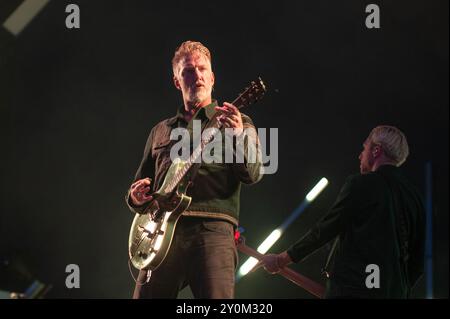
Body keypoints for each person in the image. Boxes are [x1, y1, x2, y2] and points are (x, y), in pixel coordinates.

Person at [125, 41, 263, 299]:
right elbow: (140, 188)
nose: (197, 75)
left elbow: (253, 173)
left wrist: (237, 137)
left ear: (212, 78)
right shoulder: (161, 130)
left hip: (212, 232)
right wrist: (135, 197)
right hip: (161, 234)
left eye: (202, 69)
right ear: (177, 81)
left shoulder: (238, 122)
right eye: (188, 70)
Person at [256, 125, 425, 298]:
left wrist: (281, 259)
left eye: (364, 147)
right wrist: (397, 288)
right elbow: (418, 262)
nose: (360, 155)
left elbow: (326, 229)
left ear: (376, 150)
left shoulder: (361, 184)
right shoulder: (416, 199)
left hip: (353, 289)